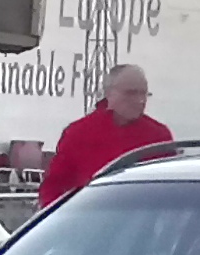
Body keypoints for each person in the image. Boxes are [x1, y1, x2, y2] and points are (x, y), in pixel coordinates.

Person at [39, 64, 173, 205]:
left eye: (144, 94)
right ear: (109, 93)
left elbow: (168, 190)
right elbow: (54, 187)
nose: (140, 100)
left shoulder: (158, 136)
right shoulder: (79, 133)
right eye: (131, 93)